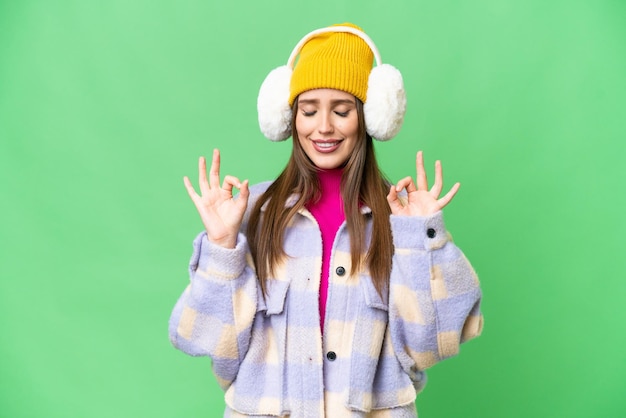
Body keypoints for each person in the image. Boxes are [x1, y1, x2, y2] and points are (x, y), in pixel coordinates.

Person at [169, 23, 483, 418]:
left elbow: (432, 343)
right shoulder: (254, 212)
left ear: (370, 117)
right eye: (309, 109)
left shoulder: (398, 219)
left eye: (341, 110)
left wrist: (424, 237)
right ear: (288, 116)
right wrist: (221, 246)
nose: (323, 127)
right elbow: (207, 341)